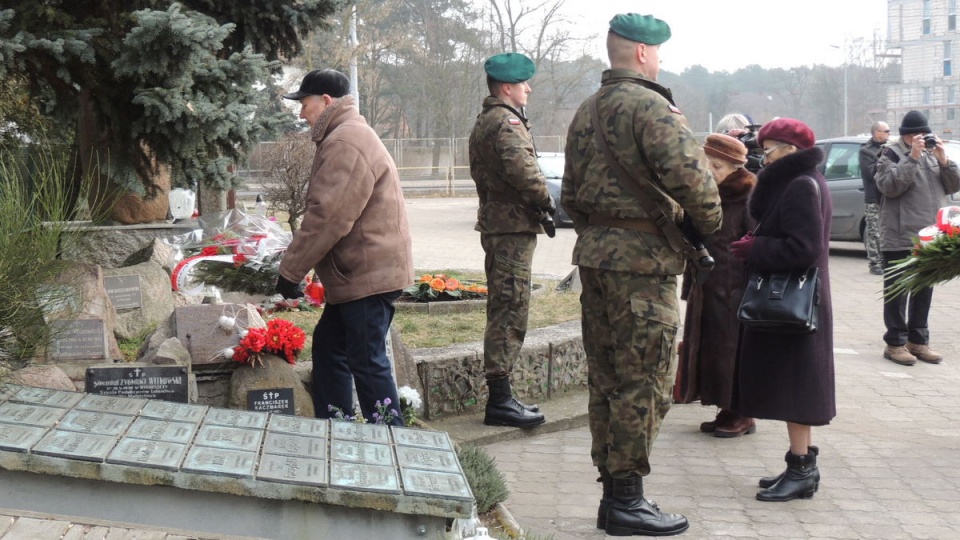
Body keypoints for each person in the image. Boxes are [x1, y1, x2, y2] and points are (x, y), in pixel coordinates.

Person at [561, 13, 721, 536]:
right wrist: (704, 225)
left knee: (606, 379)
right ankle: (628, 501)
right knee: (645, 382)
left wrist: (604, 231)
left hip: (595, 259)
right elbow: (697, 187)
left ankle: (614, 496)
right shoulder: (653, 107)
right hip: (643, 266)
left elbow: (570, 198)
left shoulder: (585, 112)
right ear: (645, 54)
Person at [276, 69, 413, 426]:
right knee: (330, 350)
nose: (301, 113)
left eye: (304, 103)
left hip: (366, 274)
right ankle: (338, 426)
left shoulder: (345, 141)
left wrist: (291, 271)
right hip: (360, 273)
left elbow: (329, 217)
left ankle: (393, 442)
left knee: (365, 360)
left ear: (325, 101)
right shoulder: (343, 135)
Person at [729, 117, 835, 502]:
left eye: (769, 148)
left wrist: (755, 249)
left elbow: (805, 249)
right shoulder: (797, 182)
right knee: (797, 388)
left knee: (800, 390)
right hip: (798, 304)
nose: (763, 155)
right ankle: (799, 465)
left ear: (789, 150)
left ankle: (802, 470)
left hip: (796, 306)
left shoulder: (801, 186)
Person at [468, 52, 554, 428]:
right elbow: (525, 173)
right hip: (510, 228)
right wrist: (547, 202)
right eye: (523, 83)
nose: (528, 88)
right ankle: (500, 401)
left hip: (503, 225)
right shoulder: (505, 121)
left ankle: (504, 396)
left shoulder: (490, 119)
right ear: (507, 87)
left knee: (507, 305)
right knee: (510, 308)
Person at [675, 134, 757, 438]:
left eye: (717, 166)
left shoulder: (749, 196)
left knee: (733, 350)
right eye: (706, 164)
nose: (709, 170)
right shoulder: (705, 194)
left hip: (736, 288)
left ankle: (744, 412)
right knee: (712, 348)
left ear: (736, 166)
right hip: (708, 284)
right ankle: (725, 407)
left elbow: (756, 240)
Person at [874, 110, 960, 366]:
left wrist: (944, 160)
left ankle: (918, 341)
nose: (924, 140)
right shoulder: (890, 154)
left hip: (931, 236)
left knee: (924, 289)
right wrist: (911, 158)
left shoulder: (932, 153)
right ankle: (896, 344)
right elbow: (889, 187)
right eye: (919, 136)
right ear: (908, 136)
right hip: (900, 234)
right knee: (897, 292)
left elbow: (954, 186)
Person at [859, 121, 890, 275]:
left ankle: (885, 261)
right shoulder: (865, 151)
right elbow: (871, 173)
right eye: (887, 131)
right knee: (874, 231)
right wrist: (885, 156)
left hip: (888, 197)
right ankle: (874, 263)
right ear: (877, 133)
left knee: (885, 230)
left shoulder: (889, 148)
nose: (889, 134)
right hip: (874, 198)